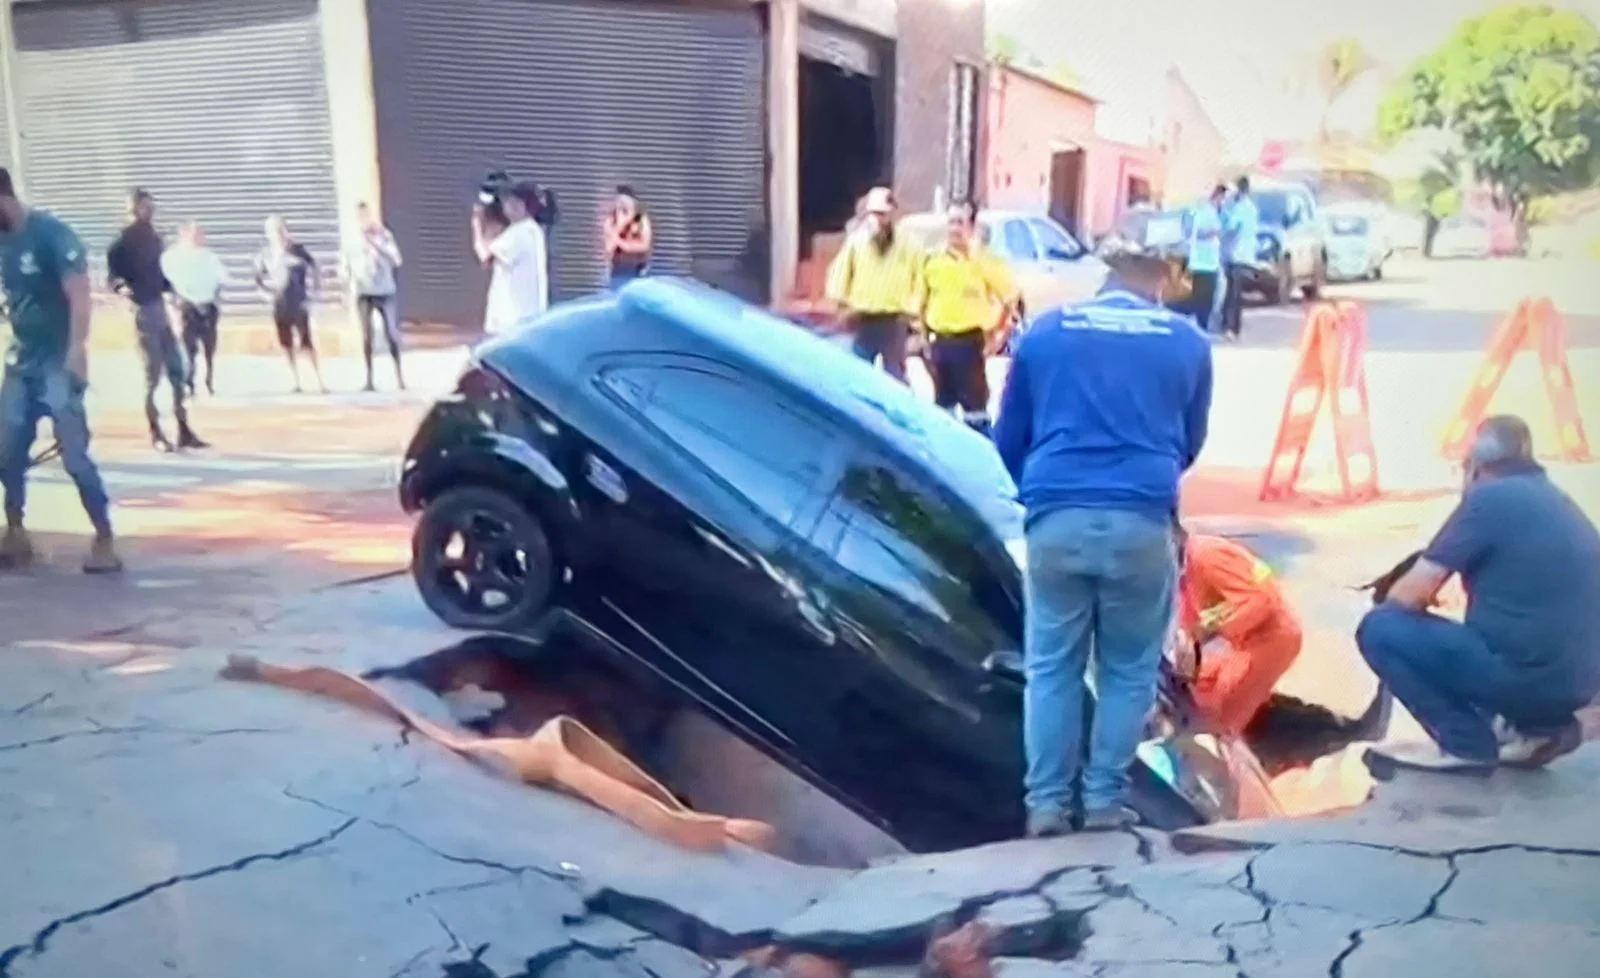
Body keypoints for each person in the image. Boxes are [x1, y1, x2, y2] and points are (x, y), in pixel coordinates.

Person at [993, 251, 1213, 836]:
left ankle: (1045, 806)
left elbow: (1008, 432)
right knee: (1127, 670)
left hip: (1057, 518)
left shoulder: (1048, 331)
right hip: (1140, 520)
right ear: (1158, 290)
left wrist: (1044, 493)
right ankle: (1102, 805)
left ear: (1105, 283)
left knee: (1052, 668)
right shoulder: (1186, 341)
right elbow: (1190, 442)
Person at [1358, 416, 1600, 771]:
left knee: (1380, 628)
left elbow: (1406, 597)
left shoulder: (1488, 499)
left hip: (1526, 679)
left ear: (1475, 466)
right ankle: (1539, 732)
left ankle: (1466, 745)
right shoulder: (1559, 501)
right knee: (1500, 630)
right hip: (1578, 685)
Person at [0, 167, 121, 573]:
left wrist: (76, 351)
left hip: (57, 361)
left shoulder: (52, 235)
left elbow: (79, 295)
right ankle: (15, 531)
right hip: (21, 363)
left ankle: (103, 536)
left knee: (74, 457)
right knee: (8, 451)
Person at [1172, 527, 1303, 734]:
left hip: (1271, 639)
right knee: (1199, 689)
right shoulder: (1183, 565)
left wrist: (1210, 629)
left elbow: (1259, 602)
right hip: (1242, 641)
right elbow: (1188, 624)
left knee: (1219, 716)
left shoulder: (1208, 556)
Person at [107, 190, 206, 451]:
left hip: (160, 309)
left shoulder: (154, 239)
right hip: (143, 312)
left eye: (150, 207)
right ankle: (156, 433)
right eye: (143, 207)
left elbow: (159, 274)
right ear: (133, 209)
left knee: (177, 371)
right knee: (152, 377)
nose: (149, 211)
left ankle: (184, 429)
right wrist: (122, 289)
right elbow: (113, 278)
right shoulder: (121, 244)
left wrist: (172, 289)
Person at [916, 200, 1019, 434]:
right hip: (940, 343)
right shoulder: (933, 261)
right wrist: (924, 339)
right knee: (942, 413)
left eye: (960, 223)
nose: (954, 229)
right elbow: (922, 303)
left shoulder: (983, 261)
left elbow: (1010, 298)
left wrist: (998, 337)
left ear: (971, 227)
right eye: (951, 222)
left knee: (976, 414)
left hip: (970, 343)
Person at [823, 186, 922, 381]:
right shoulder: (856, 243)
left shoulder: (908, 245)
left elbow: (919, 277)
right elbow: (839, 273)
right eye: (873, 214)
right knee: (859, 374)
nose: (877, 220)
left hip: (894, 320)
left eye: (882, 214)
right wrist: (841, 306)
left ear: (892, 215)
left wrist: (914, 310)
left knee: (895, 376)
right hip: (863, 319)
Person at [254, 216, 325, 393]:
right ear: (267, 234)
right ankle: (296, 381)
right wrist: (266, 295)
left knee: (307, 343)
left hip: (299, 303)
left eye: (280, 229)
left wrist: (315, 293)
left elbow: (315, 268)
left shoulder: (298, 251)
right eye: (273, 230)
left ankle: (319, 381)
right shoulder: (265, 255)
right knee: (286, 344)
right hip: (280, 304)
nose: (277, 234)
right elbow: (257, 279)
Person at [472, 176, 549, 337]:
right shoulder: (532, 230)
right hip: (525, 318)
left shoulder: (520, 233)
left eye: (509, 201)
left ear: (520, 205)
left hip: (511, 321)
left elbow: (485, 257)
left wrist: (477, 226)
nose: (506, 206)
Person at [344, 202, 405, 392]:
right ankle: (369, 380)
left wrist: (377, 245)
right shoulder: (352, 240)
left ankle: (399, 377)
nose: (365, 220)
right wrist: (348, 285)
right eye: (361, 217)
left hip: (385, 291)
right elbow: (345, 265)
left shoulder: (384, 236)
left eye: (367, 215)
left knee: (391, 334)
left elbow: (397, 260)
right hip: (363, 292)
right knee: (366, 336)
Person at [161, 220, 227, 397]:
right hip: (186, 305)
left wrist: (216, 298)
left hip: (207, 305)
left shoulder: (209, 256)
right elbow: (165, 283)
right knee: (188, 348)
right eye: (195, 234)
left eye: (201, 234)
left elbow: (221, 279)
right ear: (184, 235)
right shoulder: (172, 257)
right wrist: (173, 304)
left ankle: (208, 381)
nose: (200, 237)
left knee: (209, 347)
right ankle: (189, 382)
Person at [1219, 176, 1258, 341]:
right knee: (1235, 294)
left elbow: (1231, 228)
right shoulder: (1252, 208)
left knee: (1232, 294)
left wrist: (1223, 215)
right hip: (1246, 255)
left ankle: (1230, 327)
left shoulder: (1240, 208)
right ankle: (1233, 327)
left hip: (1236, 255)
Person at [1183, 185, 1226, 333]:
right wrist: (1216, 232)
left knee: (1205, 298)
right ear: (1217, 196)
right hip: (1203, 262)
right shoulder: (1204, 211)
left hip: (1209, 262)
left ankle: (1202, 325)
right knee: (1203, 298)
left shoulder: (1212, 212)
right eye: (1222, 198)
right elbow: (1198, 233)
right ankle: (1200, 326)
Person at [603, 186, 652, 289]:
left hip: (637, 270)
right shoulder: (611, 221)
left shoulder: (640, 219)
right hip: (617, 271)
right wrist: (621, 225)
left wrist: (624, 245)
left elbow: (644, 246)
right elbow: (609, 248)